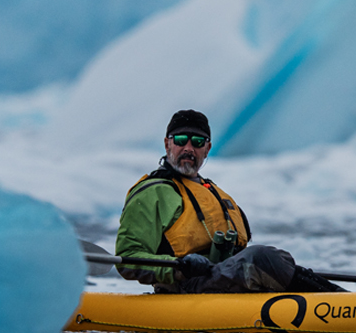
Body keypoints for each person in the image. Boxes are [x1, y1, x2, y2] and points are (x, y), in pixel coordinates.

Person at [115, 109, 341, 294]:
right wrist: (179, 268)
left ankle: (343, 300)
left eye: (198, 142)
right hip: (186, 286)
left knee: (277, 258)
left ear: (207, 149)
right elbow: (128, 258)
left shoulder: (212, 191)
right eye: (181, 140)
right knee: (261, 258)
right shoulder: (151, 193)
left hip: (220, 279)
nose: (188, 148)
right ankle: (341, 304)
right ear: (167, 144)